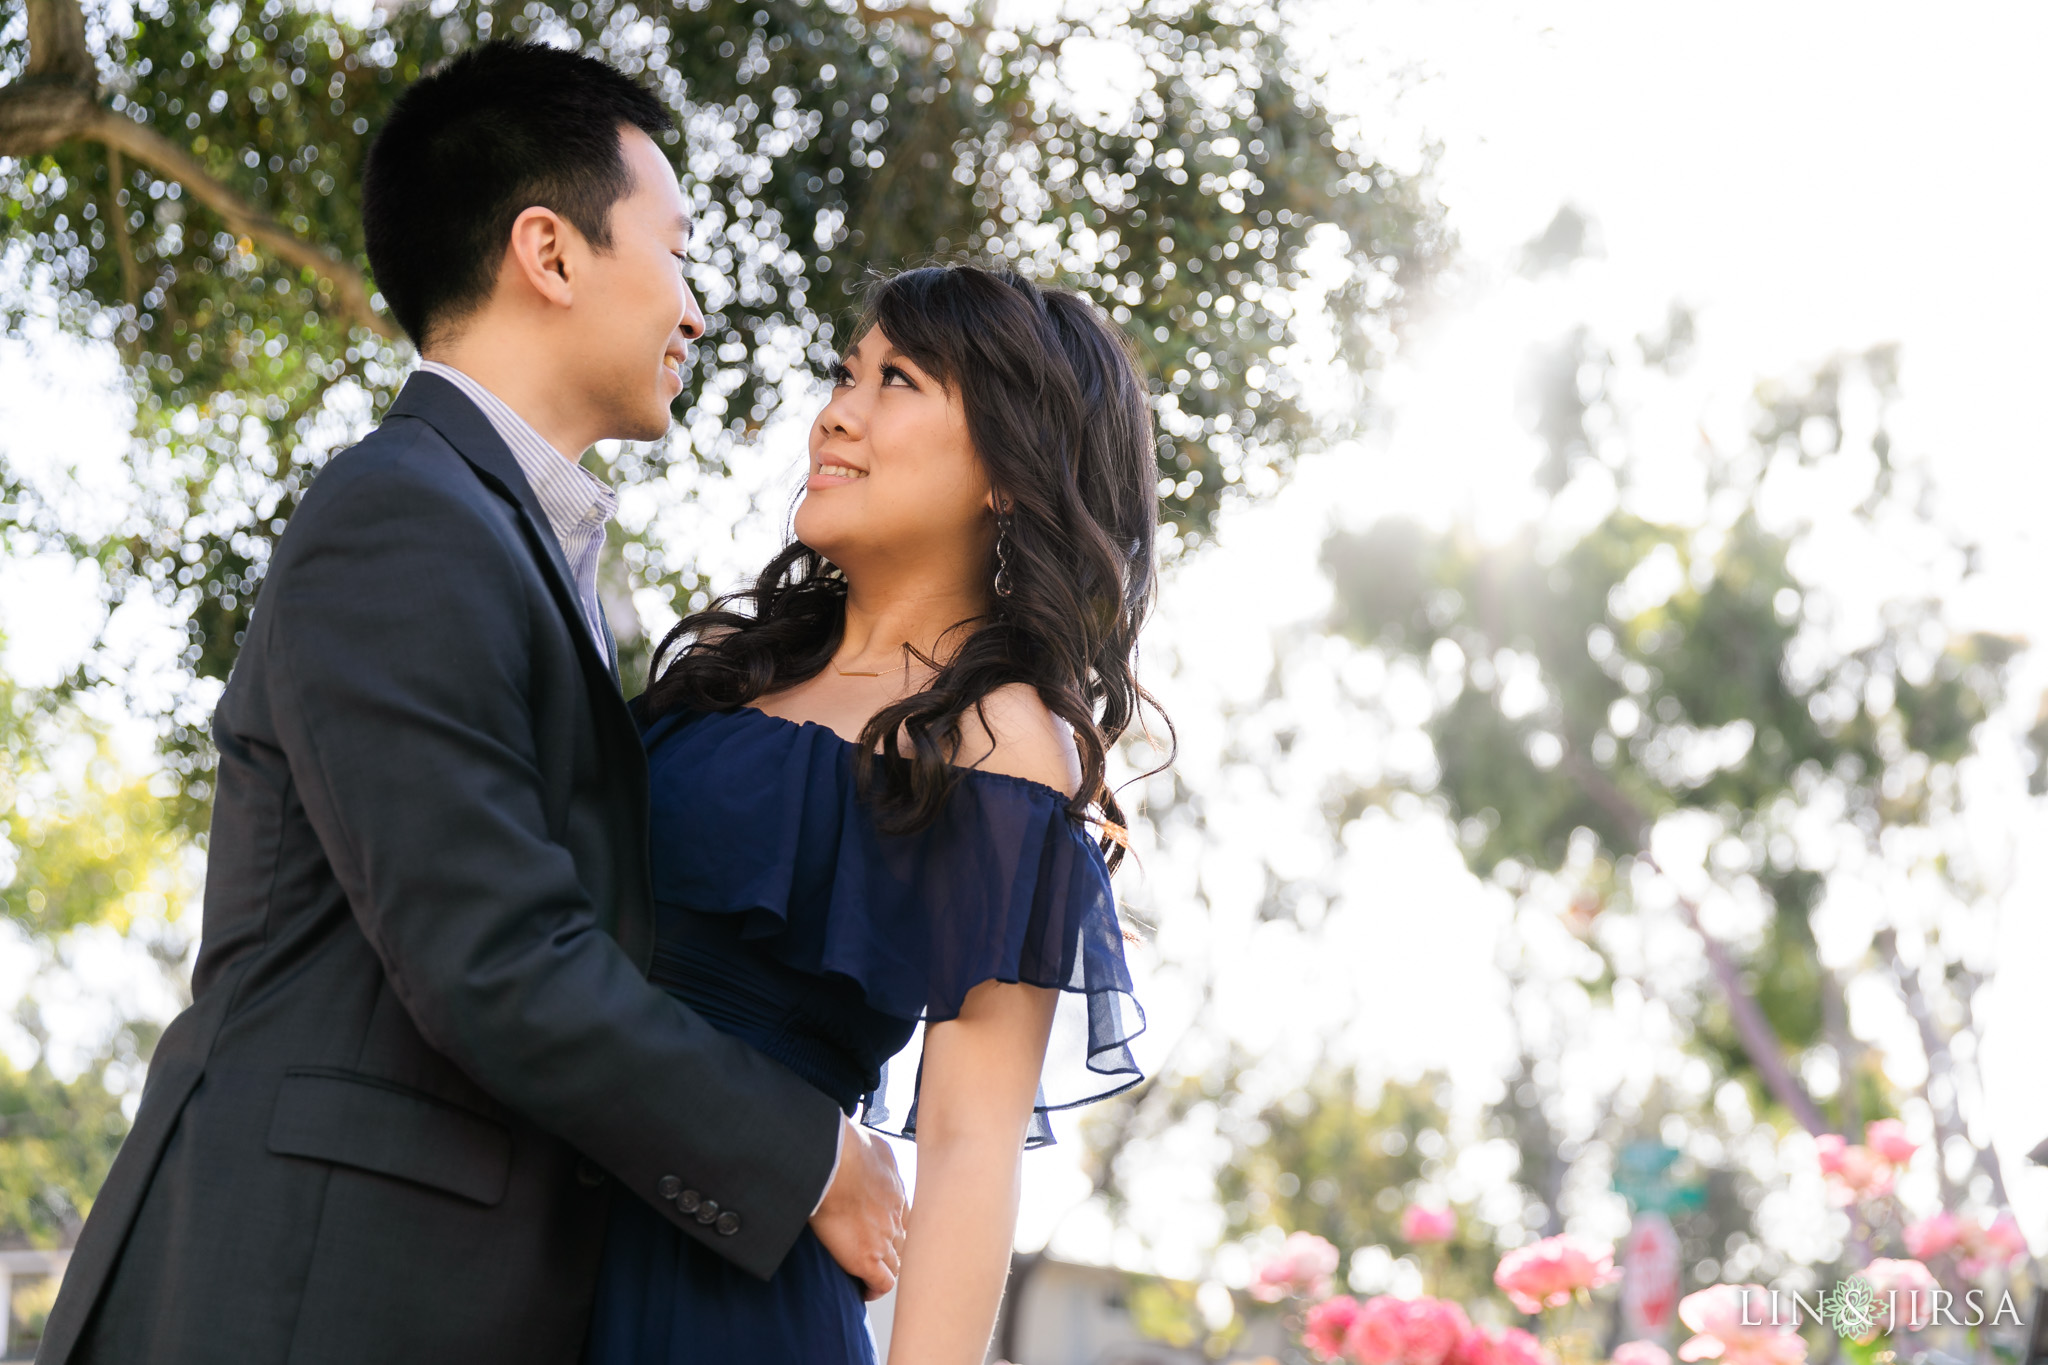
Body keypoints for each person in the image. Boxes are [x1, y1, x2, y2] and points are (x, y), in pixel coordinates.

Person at [37, 42, 907, 1365]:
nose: (696, 309)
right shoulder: (402, 513)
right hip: (303, 1295)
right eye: (676, 251)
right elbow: (496, 956)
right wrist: (814, 1160)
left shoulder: (517, 549)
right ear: (549, 253)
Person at [582, 262, 1161, 1364]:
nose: (834, 412)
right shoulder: (718, 672)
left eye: (894, 379)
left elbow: (965, 1148)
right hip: (515, 1249)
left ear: (1005, 467)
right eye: (846, 373)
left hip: (724, 1305)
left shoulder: (997, 746)